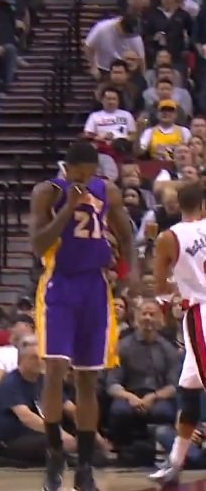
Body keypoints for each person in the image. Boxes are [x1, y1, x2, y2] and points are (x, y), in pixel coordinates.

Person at [29, 141, 135, 491]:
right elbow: (38, 244)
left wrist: (131, 271)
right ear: (68, 167)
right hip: (59, 286)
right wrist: (67, 210)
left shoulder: (108, 191)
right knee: (55, 370)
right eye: (80, 174)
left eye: (90, 175)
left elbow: (126, 235)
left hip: (95, 288)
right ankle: (54, 452)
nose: (85, 180)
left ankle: (85, 466)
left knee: (88, 380)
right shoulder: (48, 191)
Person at [148, 182, 206, 485]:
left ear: (176, 205)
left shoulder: (169, 237)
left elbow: (159, 285)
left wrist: (170, 295)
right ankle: (175, 462)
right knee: (190, 394)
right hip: (198, 310)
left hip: (200, 312)